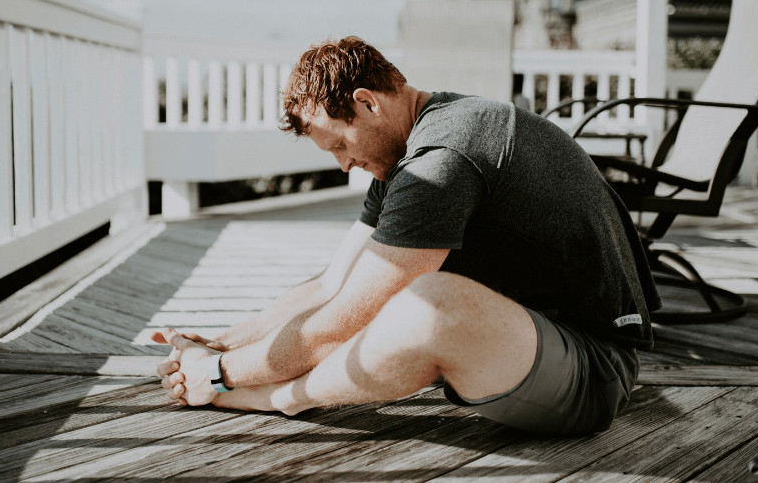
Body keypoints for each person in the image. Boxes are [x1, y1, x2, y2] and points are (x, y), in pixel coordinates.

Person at [153, 36, 659, 436]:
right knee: (385, 295)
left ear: (367, 102)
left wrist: (222, 375)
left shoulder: (442, 160)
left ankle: (281, 399)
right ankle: (256, 385)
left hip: (592, 370)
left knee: (427, 305)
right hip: (522, 343)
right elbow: (332, 286)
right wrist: (220, 343)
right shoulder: (407, 154)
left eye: (339, 145)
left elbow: (342, 322)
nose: (344, 163)